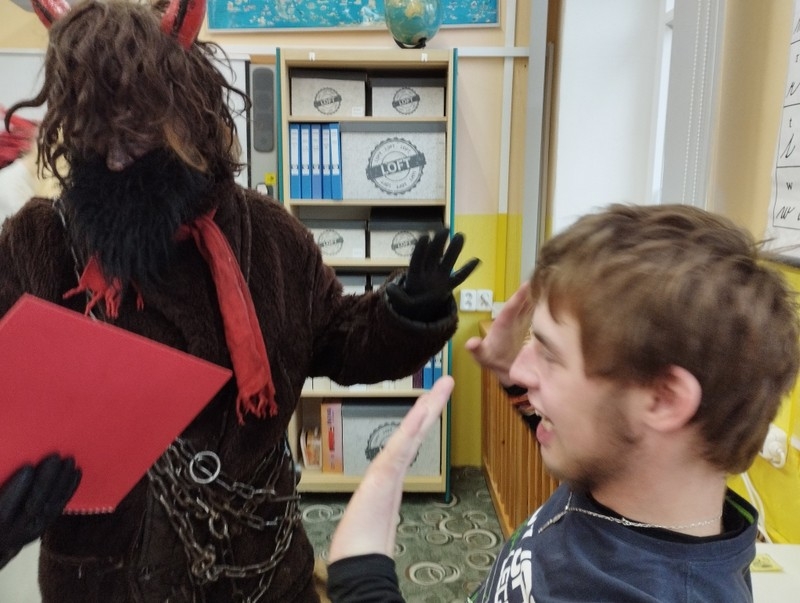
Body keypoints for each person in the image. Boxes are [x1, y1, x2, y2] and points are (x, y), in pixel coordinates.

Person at [0, 0, 478, 601]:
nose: (117, 158)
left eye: (138, 133)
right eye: (99, 137)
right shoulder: (39, 245)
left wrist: (406, 311)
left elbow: (339, 341)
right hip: (108, 581)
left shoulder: (267, 236)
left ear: (189, 118)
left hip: (263, 572)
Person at [325, 203, 800, 602]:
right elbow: (608, 429)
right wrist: (512, 376)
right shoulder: (628, 483)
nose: (523, 370)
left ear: (663, 399)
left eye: (550, 355)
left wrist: (361, 577)